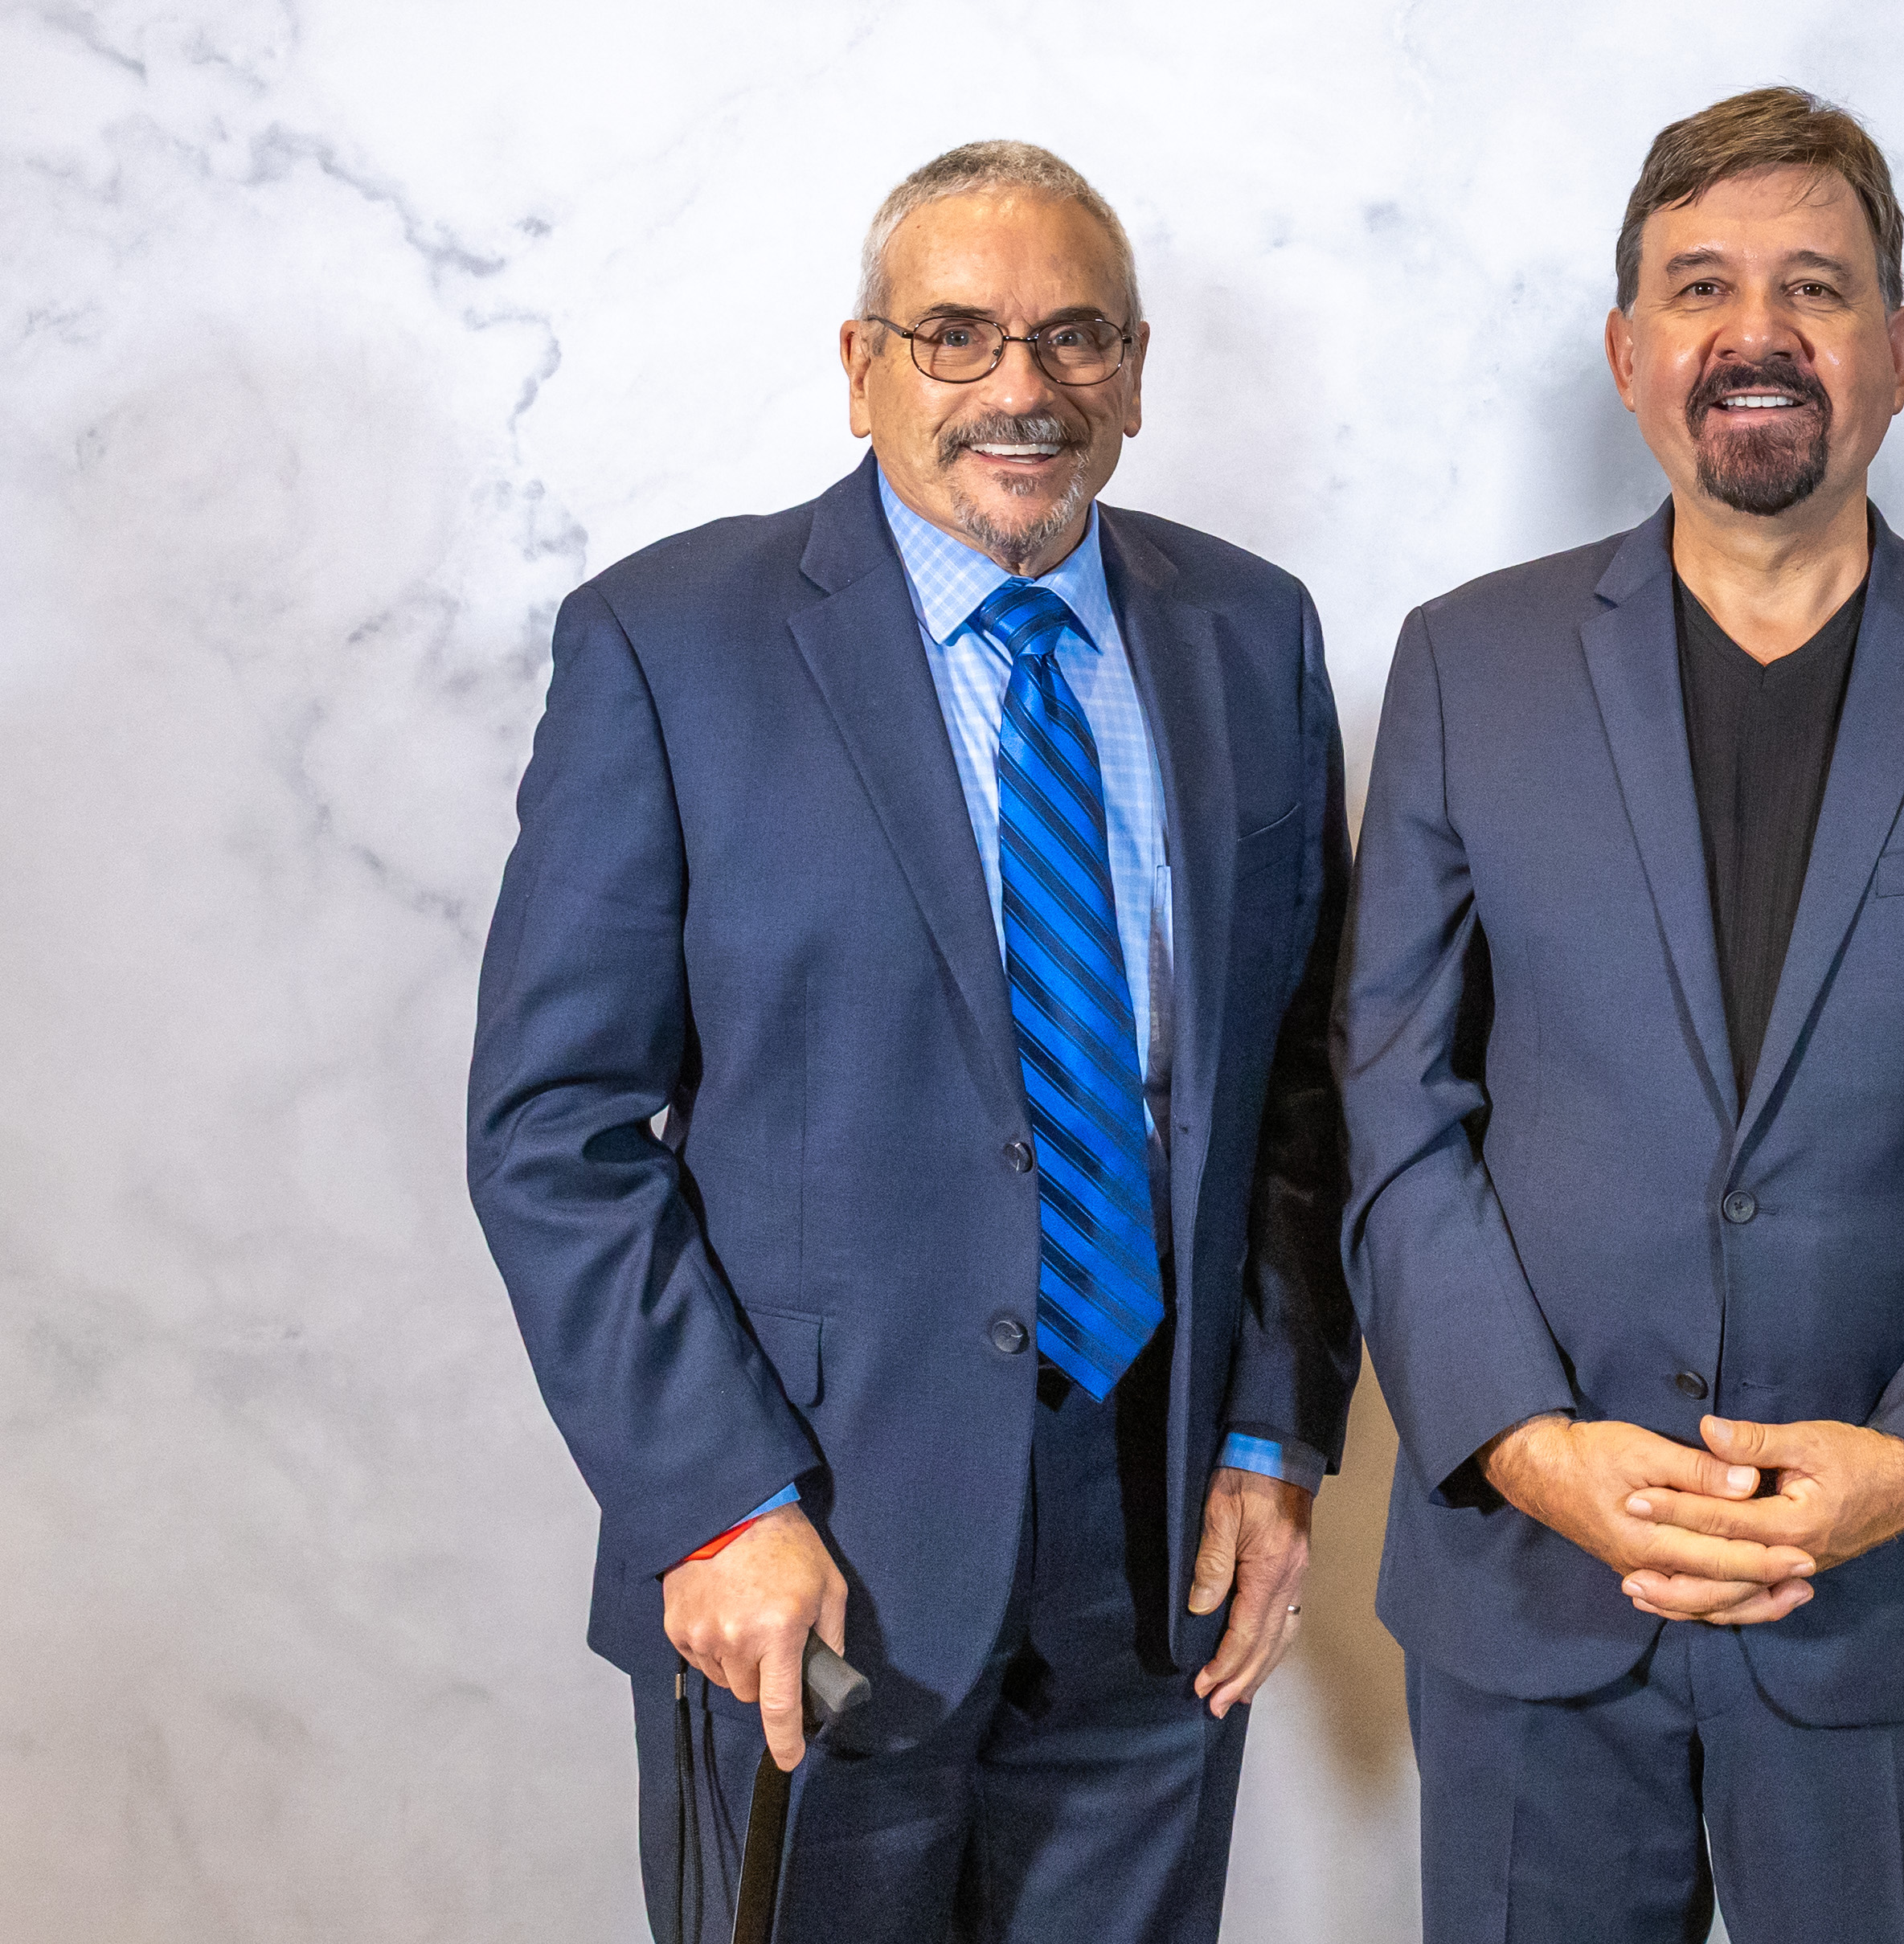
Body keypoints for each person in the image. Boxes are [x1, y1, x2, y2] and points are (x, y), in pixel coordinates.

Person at [469, 140, 1354, 1943]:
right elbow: (556, 1128)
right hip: (811, 1559)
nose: (1021, 387)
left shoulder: (1249, 633)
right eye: (956, 334)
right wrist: (714, 1501)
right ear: (861, 364)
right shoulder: (671, 642)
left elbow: (1304, 1081)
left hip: (1157, 1561)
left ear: (1134, 370)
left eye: (1073, 335)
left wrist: (1277, 1430)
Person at [1340, 87, 1904, 1942]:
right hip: (1533, 1585)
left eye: (1816, 285)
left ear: (1900, 350)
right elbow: (1395, 1106)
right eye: (1700, 285)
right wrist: (1528, 1445)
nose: (1757, 330)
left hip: (1888, 1600)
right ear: (1629, 353)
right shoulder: (1467, 666)